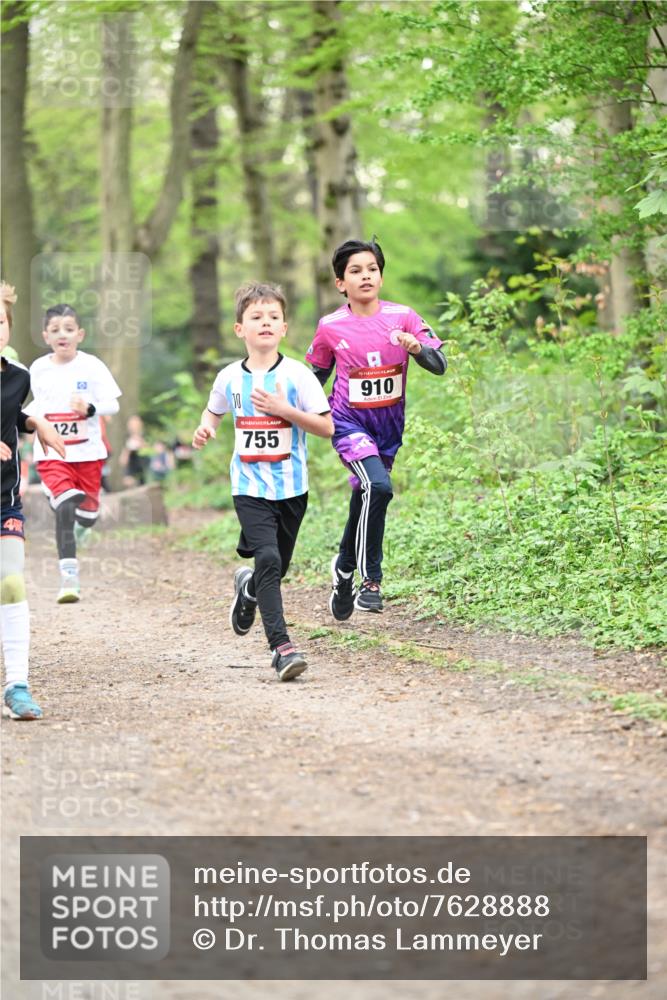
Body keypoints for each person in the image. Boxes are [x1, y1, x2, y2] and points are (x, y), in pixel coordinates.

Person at [192, 282, 333, 681]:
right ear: (240, 329)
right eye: (256, 317)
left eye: (273, 317)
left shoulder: (298, 376)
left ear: (284, 328)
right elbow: (213, 412)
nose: (265, 323)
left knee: (276, 567)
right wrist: (205, 429)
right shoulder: (229, 379)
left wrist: (284, 410)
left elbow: (326, 427)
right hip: (249, 486)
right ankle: (282, 648)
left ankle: (249, 587)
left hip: (292, 487)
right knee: (268, 559)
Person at [306, 238, 447, 619]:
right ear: (341, 283)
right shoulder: (330, 327)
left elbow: (440, 364)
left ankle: (343, 568)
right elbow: (312, 379)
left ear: (381, 277)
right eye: (355, 271)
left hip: (388, 429)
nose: (365, 276)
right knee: (379, 488)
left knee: (367, 495)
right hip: (347, 422)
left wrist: (416, 349)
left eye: (372, 269)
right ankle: (370, 582)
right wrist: (291, 417)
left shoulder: (404, 317)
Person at [0, 282, 66, 719]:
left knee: (10, 582)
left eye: (0, 321)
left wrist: (33, 422)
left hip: (4, 501)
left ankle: (17, 685)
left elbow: (8, 413)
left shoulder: (17, 376)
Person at [26, 303, 122, 603]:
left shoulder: (92, 365)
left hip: (89, 454)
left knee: (89, 515)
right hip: (53, 453)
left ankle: (84, 524)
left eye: (68, 329)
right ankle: (69, 577)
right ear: (45, 336)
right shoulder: (38, 369)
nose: (62, 334)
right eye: (55, 330)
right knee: (66, 504)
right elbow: (36, 405)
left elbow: (113, 404)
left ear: (80, 334)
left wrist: (91, 408)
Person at [120, 414, 148, 487]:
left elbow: (150, 452)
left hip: (144, 467)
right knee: (128, 481)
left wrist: (141, 444)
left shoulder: (145, 436)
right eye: (131, 424)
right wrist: (128, 449)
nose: (133, 427)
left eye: (135, 424)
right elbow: (123, 461)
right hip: (132, 467)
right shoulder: (127, 439)